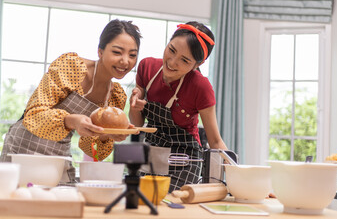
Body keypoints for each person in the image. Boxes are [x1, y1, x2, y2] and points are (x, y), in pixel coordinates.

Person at [0, 19, 141, 183]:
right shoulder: (71, 67)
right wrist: (71, 120)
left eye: (132, 55)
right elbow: (34, 114)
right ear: (100, 51)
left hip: (59, 153)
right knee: (18, 202)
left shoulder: (115, 97)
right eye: (117, 52)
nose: (125, 61)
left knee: (62, 204)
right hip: (24, 146)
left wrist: (106, 135)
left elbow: (90, 148)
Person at [129, 21, 228, 191]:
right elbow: (137, 125)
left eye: (184, 60)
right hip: (152, 153)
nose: (172, 62)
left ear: (197, 65)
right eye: (172, 50)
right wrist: (134, 103)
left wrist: (241, 177)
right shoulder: (147, 67)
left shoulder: (201, 87)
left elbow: (215, 140)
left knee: (172, 204)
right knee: (144, 202)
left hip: (184, 160)